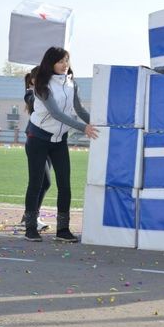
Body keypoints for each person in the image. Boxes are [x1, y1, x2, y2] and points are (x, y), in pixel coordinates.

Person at [24, 47, 99, 242]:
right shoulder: (42, 85)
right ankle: (30, 228)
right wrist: (83, 128)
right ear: (50, 63)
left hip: (60, 141)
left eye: (66, 60)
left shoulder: (72, 84)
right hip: (38, 139)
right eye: (60, 61)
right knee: (36, 183)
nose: (65, 65)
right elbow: (56, 113)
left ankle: (63, 230)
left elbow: (80, 110)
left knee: (65, 185)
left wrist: (98, 125)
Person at [19, 66, 51, 232]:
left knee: (45, 183)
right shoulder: (30, 94)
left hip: (51, 140)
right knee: (40, 182)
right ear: (32, 80)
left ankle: (29, 215)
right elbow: (35, 101)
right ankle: (31, 217)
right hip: (36, 139)